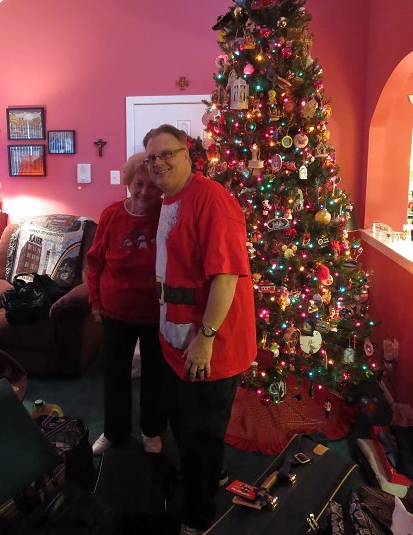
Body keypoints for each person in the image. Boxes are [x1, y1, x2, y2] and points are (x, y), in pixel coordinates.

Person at [143, 124, 257, 535]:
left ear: (187, 154)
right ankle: (209, 476)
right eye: (151, 158)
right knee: (188, 431)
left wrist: (206, 340)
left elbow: (225, 278)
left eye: (167, 154)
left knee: (200, 437)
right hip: (176, 340)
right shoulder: (172, 198)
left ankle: (198, 520)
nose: (158, 163)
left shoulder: (212, 200)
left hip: (209, 347)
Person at [87, 152, 167, 456]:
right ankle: (114, 431)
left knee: (155, 376)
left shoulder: (168, 214)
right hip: (116, 311)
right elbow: (95, 262)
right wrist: (95, 301)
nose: (145, 192)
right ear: (128, 183)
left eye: (152, 185)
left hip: (156, 312)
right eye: (138, 184)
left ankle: (152, 431)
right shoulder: (111, 215)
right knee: (115, 374)